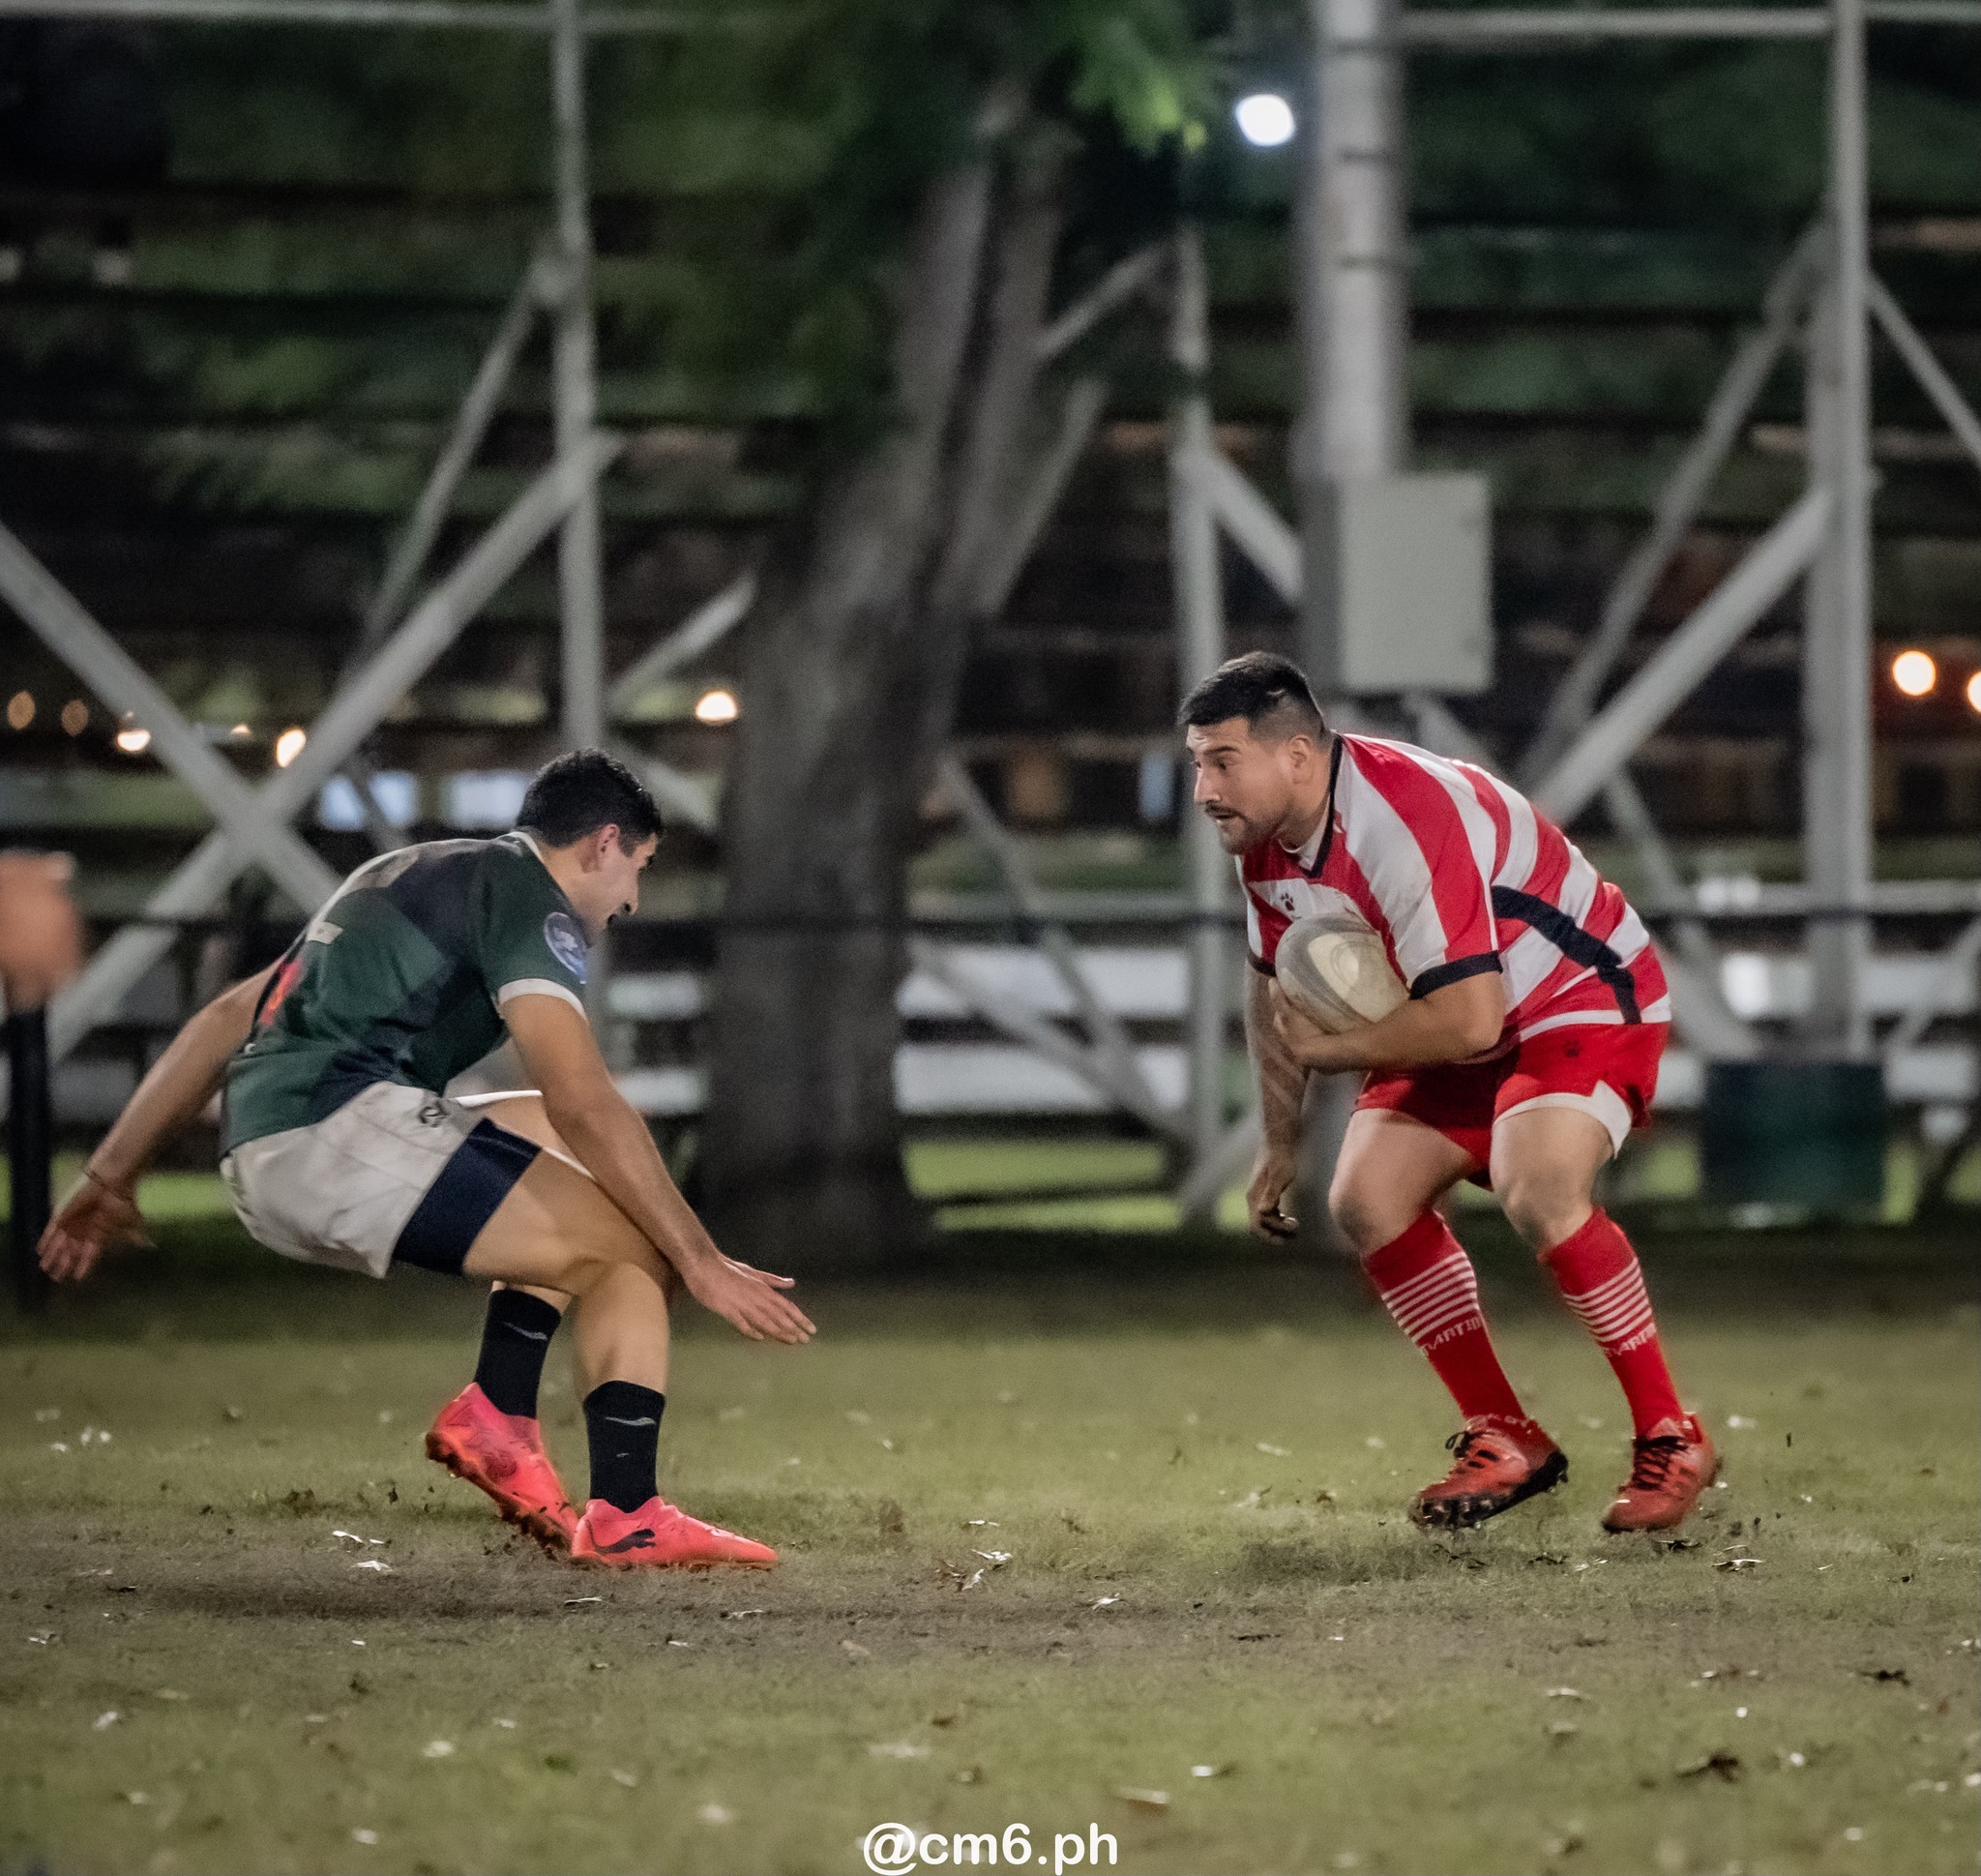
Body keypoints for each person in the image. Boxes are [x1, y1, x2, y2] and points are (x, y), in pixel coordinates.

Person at [38, 749, 813, 1569]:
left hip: (288, 1135)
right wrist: (699, 1260)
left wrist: (109, 1174)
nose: (631, 897)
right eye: (638, 868)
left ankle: (500, 1415)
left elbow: (229, 1014)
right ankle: (629, 1514)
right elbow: (580, 1097)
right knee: (636, 1248)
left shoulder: (412, 869)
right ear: (602, 843)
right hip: (336, 1131)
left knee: (569, 1156)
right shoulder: (529, 898)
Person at [1184, 652, 1715, 1534]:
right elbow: (1270, 984)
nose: (1203, 787)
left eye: (1222, 760)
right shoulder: (1265, 837)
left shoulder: (1398, 820)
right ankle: (1507, 1437)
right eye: (1197, 761)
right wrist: (1280, 1141)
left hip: (1577, 993)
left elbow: (1472, 1022)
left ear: (1298, 759)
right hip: (1462, 1014)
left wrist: (1335, 1049)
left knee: (1537, 1181)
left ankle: (1672, 1431)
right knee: (1365, 1198)